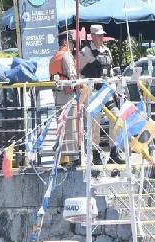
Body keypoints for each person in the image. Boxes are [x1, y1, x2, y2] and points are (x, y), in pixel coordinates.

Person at [79, 24, 123, 165]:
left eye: (102, 35)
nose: (101, 37)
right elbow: (78, 72)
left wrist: (114, 87)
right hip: (93, 93)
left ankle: (113, 152)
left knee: (116, 117)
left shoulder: (107, 51)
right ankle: (96, 154)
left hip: (106, 91)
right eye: (98, 35)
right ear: (92, 36)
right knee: (95, 123)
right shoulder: (85, 51)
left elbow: (110, 72)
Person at [50, 31, 79, 154]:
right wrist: (79, 85)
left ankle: (62, 154)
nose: (73, 46)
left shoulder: (54, 56)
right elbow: (72, 75)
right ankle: (71, 155)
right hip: (67, 95)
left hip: (57, 95)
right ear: (65, 42)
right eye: (72, 43)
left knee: (61, 125)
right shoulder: (66, 55)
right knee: (70, 125)